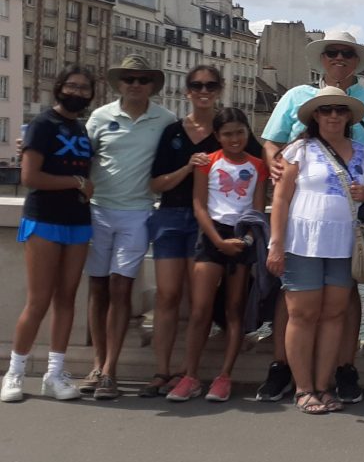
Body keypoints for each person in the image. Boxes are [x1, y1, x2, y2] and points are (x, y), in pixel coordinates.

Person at [259, 29, 364, 405]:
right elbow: (272, 144)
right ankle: (292, 376)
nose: (338, 58)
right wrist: (276, 165)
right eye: (332, 52)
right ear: (322, 58)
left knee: (339, 307)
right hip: (302, 233)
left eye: (346, 53)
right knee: (298, 309)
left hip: (344, 236)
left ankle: (334, 375)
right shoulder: (295, 104)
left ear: (356, 60)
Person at [144, 65, 262, 398]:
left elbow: (257, 170)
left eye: (210, 85)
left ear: (220, 89)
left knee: (220, 305)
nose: (203, 90)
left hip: (223, 228)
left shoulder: (236, 139)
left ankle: (198, 372)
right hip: (182, 219)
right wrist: (189, 166)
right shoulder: (176, 134)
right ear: (188, 91)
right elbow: (157, 182)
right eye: (196, 85)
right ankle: (168, 371)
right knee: (175, 298)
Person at [267, 89, 364, 415]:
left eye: (339, 110)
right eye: (326, 110)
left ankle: (322, 384)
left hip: (344, 245)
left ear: (348, 117)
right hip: (302, 242)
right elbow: (281, 200)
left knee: (333, 316)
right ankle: (303, 388)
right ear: (316, 116)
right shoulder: (299, 150)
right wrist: (276, 243)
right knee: (302, 315)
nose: (333, 116)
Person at [84, 55, 175, 400]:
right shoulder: (100, 117)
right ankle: (97, 364)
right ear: (119, 83)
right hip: (97, 211)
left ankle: (110, 369)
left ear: (152, 84)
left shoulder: (165, 120)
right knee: (97, 288)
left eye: (142, 79)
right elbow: (79, 155)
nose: (135, 84)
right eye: (129, 79)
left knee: (121, 288)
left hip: (138, 212)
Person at [2, 67, 95, 404]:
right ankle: (15, 371)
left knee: (67, 299)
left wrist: (83, 185)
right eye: (72, 85)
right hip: (44, 219)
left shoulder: (81, 129)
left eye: (85, 88)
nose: (78, 92)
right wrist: (75, 183)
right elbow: (30, 176)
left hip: (78, 220)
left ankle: (54, 374)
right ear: (59, 88)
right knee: (39, 299)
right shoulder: (43, 124)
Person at [165, 109, 268, 403]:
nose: (234, 139)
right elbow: (199, 206)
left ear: (247, 133)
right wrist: (217, 240)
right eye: (227, 134)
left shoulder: (258, 166)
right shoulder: (207, 163)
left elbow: (257, 211)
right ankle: (191, 376)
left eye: (239, 132)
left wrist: (246, 239)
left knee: (234, 310)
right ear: (217, 136)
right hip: (212, 236)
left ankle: (224, 376)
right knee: (200, 310)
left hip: (241, 235)